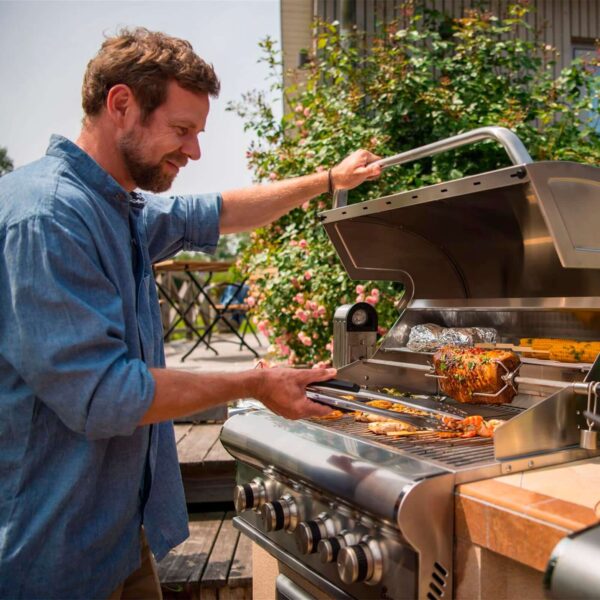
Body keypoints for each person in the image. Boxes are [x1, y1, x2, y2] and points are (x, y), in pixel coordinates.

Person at [0, 28, 381, 599]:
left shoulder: (118, 205)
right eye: (182, 130)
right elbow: (106, 394)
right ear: (121, 104)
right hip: (50, 553)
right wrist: (257, 381)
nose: (194, 151)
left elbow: (217, 211)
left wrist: (330, 182)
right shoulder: (48, 217)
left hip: (117, 534)